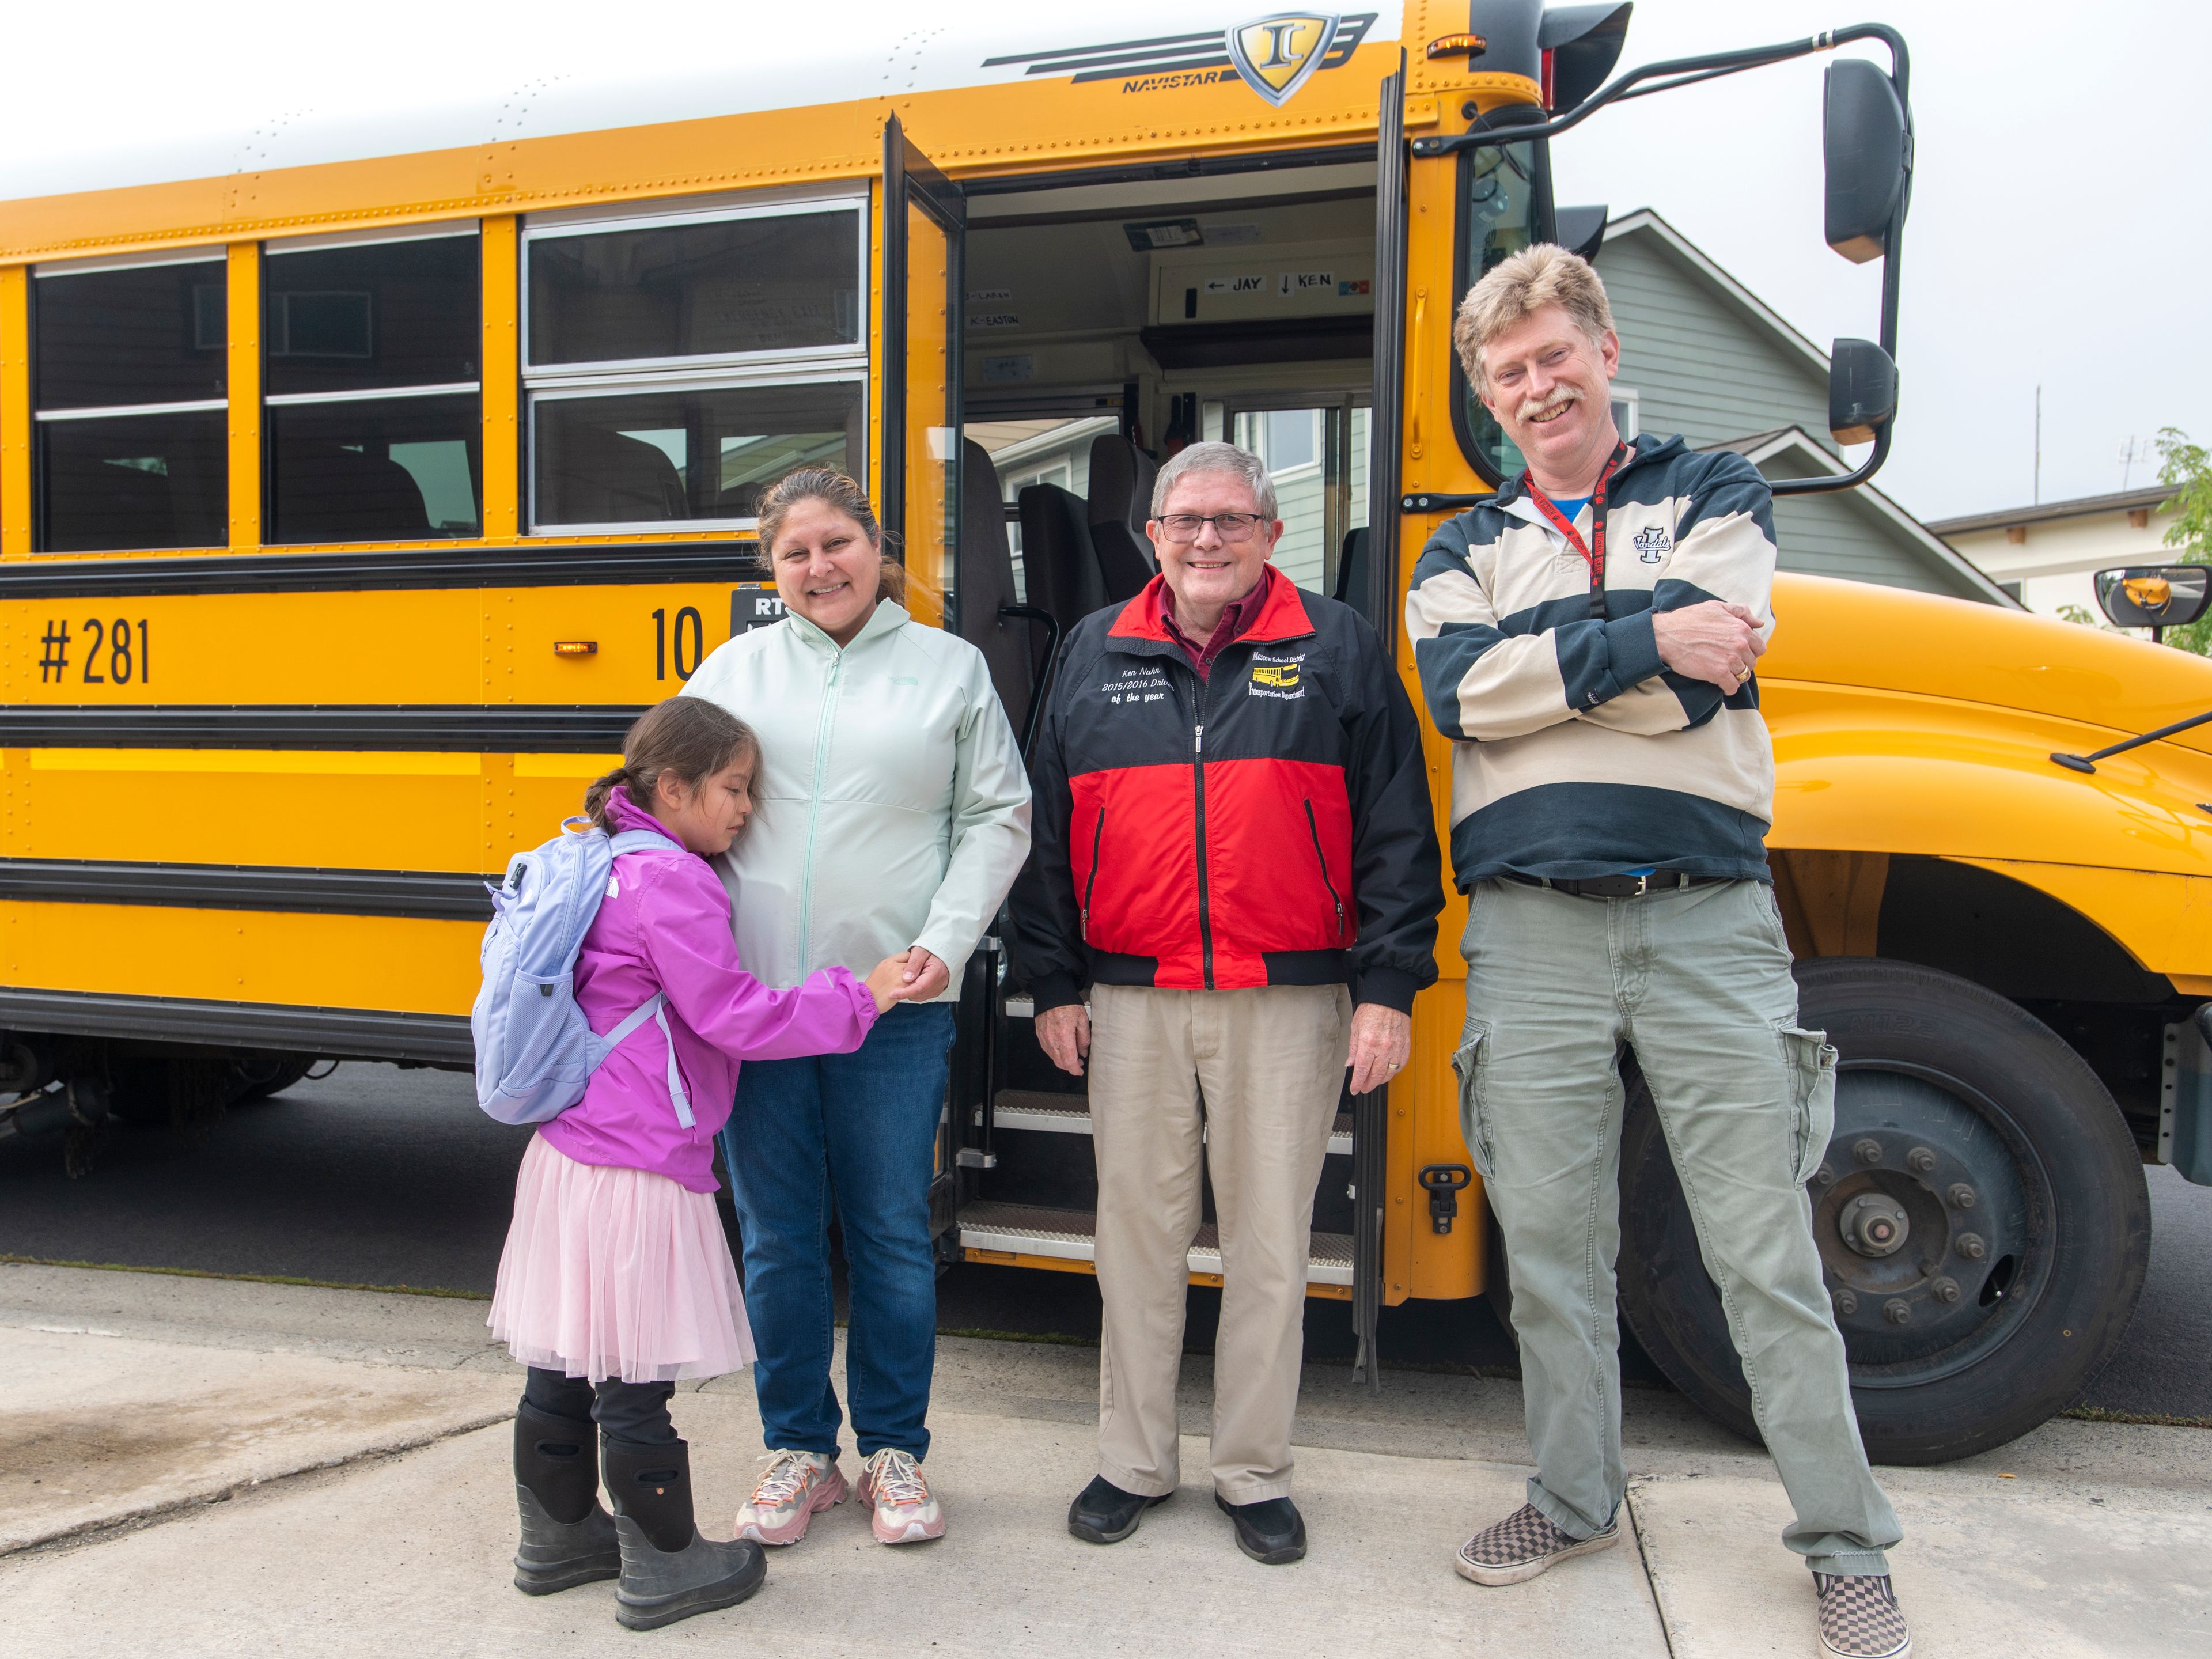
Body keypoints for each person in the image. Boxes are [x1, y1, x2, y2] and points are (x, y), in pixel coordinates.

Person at [1403, 244, 1908, 1659]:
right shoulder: (1458, 546)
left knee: (1762, 1250)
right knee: (1553, 1252)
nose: (1536, 384)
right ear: (1489, 400)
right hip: (1530, 932)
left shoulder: (1717, 492)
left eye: (1554, 354)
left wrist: (1550, 670)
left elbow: (1712, 675)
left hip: (1704, 921)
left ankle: (1846, 1543)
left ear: (1605, 351)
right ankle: (1572, 1498)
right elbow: (1456, 696)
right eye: (1509, 373)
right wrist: (1639, 641)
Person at [1007, 441, 1444, 1566]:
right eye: (1187, 521)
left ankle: (1255, 1473)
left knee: (1268, 1246)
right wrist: (1050, 980)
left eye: (1232, 521)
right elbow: (1046, 832)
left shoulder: (1337, 645)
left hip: (1288, 996)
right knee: (1136, 1239)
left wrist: (1385, 987)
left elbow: (1397, 827)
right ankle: (1133, 1461)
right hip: (1131, 994)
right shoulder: (1095, 652)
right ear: (1151, 536)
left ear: (1271, 535)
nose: (1208, 540)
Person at [488, 696, 914, 1631]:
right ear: (673, 787)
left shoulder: (588, 852)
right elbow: (736, 1018)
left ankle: (558, 1540)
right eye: (733, 789)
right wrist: (863, 996)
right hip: (639, 1159)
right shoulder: (671, 882)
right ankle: (667, 1563)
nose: (746, 810)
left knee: (561, 1362)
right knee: (632, 1378)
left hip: (566, 1150)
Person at [681, 468, 1032, 1548]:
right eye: (795, 553)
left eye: (837, 544)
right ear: (769, 568)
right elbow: (676, 813)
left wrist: (945, 941)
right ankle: (797, 1449)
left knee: (886, 1231)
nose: (819, 567)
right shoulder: (731, 672)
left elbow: (997, 816)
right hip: (760, 1012)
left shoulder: (949, 669)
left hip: (893, 1006)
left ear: (876, 550)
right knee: (780, 1239)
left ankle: (894, 1453)